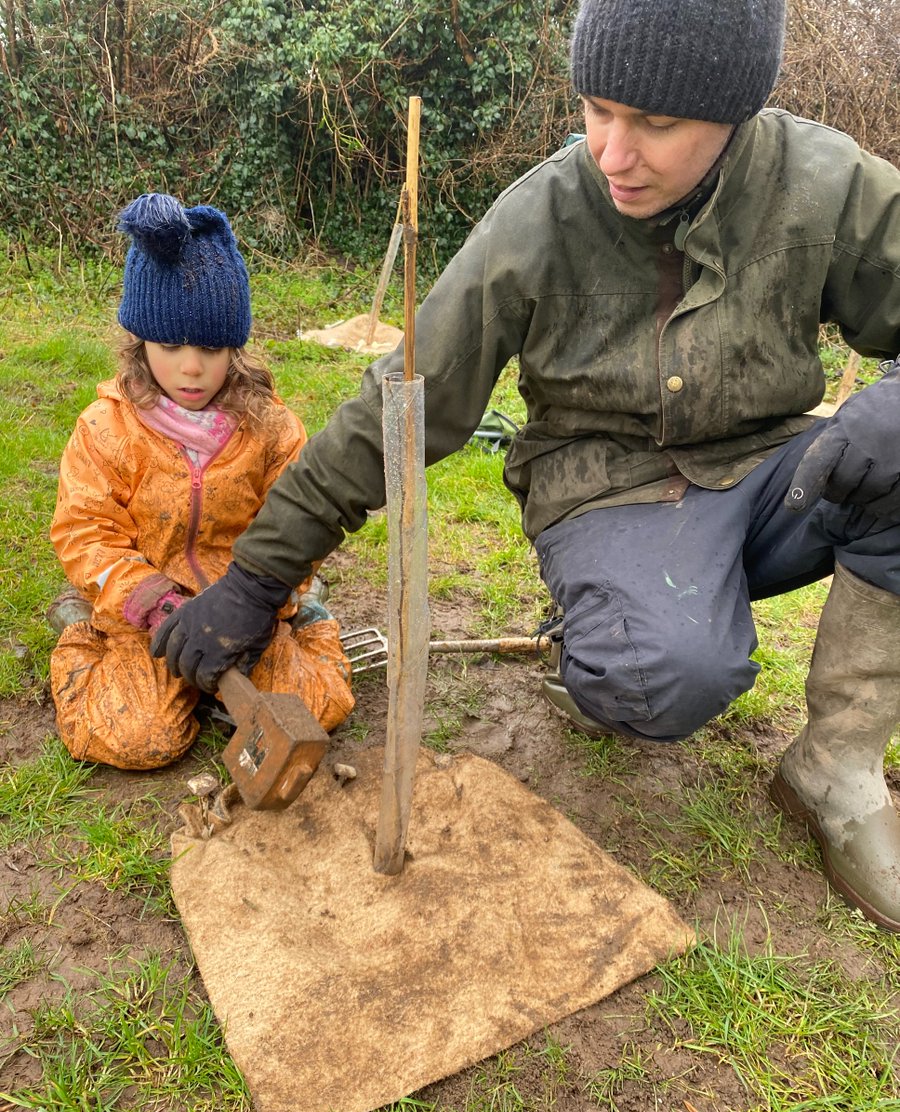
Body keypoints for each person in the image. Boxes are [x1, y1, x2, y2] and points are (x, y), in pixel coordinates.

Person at [151, 0, 900, 931]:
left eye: (654, 124)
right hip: (607, 489)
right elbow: (404, 404)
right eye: (596, 108)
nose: (612, 152)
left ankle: (836, 769)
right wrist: (259, 578)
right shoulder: (543, 215)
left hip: (772, 473)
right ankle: (614, 628)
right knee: (662, 674)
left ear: (735, 112)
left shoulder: (824, 182)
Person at [48, 192, 354, 770]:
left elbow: (299, 527)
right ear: (139, 342)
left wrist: (270, 605)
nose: (192, 367)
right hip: (149, 613)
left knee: (316, 708)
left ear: (234, 345)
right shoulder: (105, 430)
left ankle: (310, 619)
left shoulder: (274, 429)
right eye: (170, 347)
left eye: (211, 348)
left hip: (247, 609)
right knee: (138, 738)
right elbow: (86, 533)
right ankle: (83, 634)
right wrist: (154, 604)